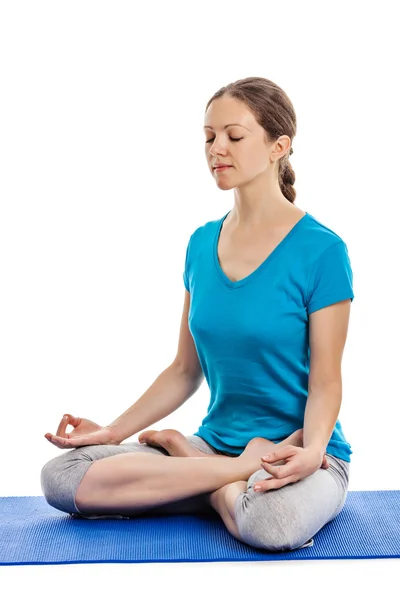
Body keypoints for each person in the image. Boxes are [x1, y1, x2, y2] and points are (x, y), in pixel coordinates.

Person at [41, 76, 354, 552]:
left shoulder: (323, 251)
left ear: (279, 146)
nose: (216, 149)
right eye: (208, 137)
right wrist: (112, 430)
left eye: (234, 135)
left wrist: (312, 452)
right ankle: (230, 478)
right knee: (62, 477)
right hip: (218, 446)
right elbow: (185, 370)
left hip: (299, 449)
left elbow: (327, 381)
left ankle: (193, 479)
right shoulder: (201, 243)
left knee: (272, 523)